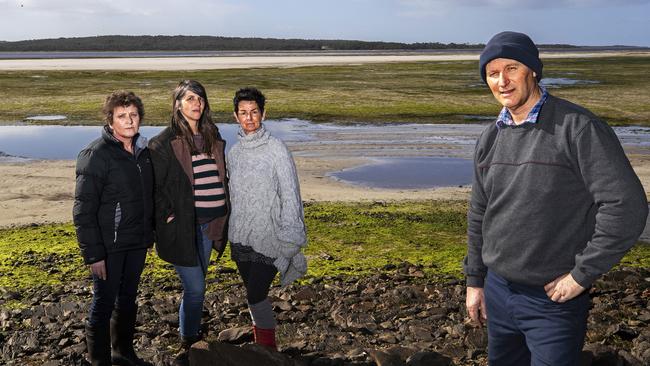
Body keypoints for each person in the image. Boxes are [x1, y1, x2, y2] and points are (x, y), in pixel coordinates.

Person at [463, 31, 648, 365]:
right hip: (498, 293)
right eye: (493, 73)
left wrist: (581, 275)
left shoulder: (577, 128)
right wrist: (475, 281)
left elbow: (626, 206)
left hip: (552, 301)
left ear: (533, 70)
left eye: (512, 68)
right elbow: (479, 213)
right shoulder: (490, 137)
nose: (502, 81)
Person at [148, 80, 229, 365]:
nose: (197, 104)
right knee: (196, 288)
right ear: (177, 104)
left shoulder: (212, 135)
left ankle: (190, 330)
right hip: (181, 227)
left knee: (196, 285)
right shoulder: (162, 142)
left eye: (201, 99)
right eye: (190, 98)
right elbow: (154, 188)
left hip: (210, 224)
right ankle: (189, 339)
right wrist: (166, 216)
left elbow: (219, 176)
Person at [73, 91, 154, 366]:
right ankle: (100, 362)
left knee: (128, 299)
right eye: (122, 116)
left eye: (133, 115)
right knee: (103, 304)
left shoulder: (143, 152)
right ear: (110, 121)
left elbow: (148, 197)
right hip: (109, 248)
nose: (129, 121)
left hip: (137, 242)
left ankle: (124, 353)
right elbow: (83, 211)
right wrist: (94, 255)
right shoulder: (95, 155)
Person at [227, 87, 307, 349]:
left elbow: (291, 195)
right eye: (243, 113)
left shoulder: (277, 150)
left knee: (255, 295)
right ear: (235, 116)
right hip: (241, 239)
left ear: (264, 113)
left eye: (254, 112)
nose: (249, 118)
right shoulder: (234, 154)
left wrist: (290, 240)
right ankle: (263, 349)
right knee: (253, 299)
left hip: (271, 239)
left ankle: (268, 351)